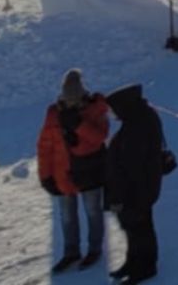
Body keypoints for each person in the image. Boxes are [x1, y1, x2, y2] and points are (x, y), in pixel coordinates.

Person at [37, 69, 110, 273]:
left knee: (93, 212)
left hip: (90, 173)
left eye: (75, 101)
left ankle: (95, 248)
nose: (71, 104)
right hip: (63, 174)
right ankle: (71, 252)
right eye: (67, 100)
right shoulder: (54, 113)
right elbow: (45, 147)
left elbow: (99, 138)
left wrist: (78, 126)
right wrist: (45, 176)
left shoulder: (94, 109)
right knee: (67, 216)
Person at [104, 83, 166, 284]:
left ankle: (145, 267)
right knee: (135, 227)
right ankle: (133, 262)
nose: (113, 114)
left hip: (136, 189)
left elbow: (133, 164)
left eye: (115, 110)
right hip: (140, 187)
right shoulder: (139, 117)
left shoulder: (137, 125)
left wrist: (125, 194)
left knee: (139, 227)